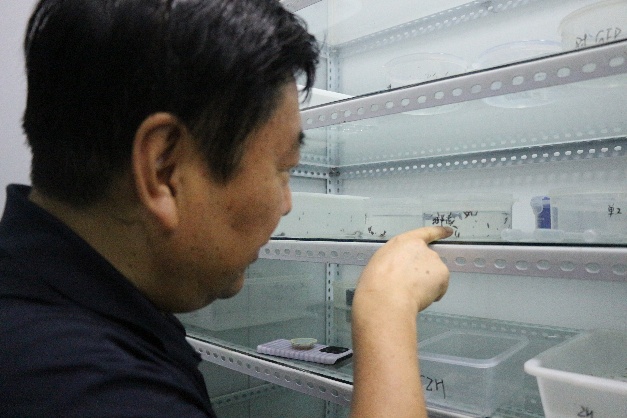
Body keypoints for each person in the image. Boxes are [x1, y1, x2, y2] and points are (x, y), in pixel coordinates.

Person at [0, 0, 452, 416]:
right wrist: (386, 314)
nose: (286, 205)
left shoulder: (35, 308)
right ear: (164, 169)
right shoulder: (102, 394)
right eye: (283, 168)